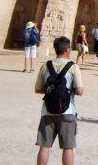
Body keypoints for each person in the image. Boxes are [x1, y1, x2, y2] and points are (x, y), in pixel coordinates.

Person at [34, 36, 84, 165]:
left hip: (48, 109)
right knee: (68, 147)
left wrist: (51, 90)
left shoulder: (46, 66)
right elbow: (79, 91)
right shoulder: (73, 67)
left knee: (44, 145)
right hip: (67, 110)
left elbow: (38, 89)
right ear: (67, 50)